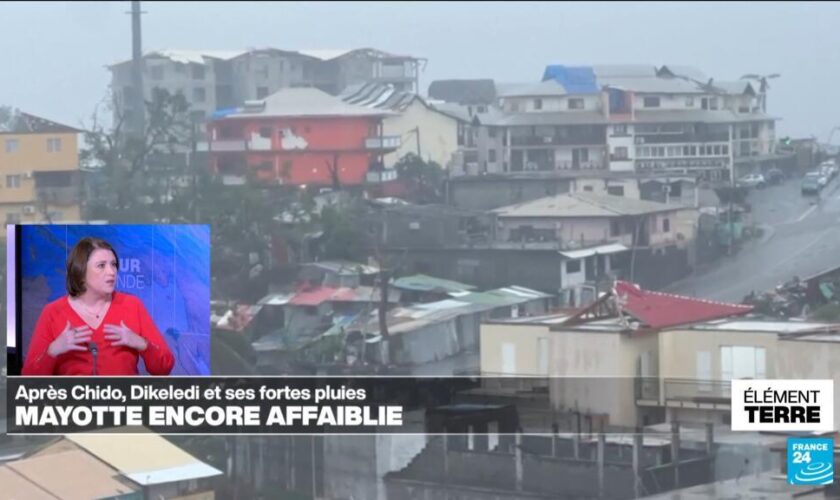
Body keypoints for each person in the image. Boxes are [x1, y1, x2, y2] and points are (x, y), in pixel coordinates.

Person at [22, 237, 175, 376]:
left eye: (113, 265)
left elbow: (164, 367)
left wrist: (141, 344)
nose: (112, 272)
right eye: (101, 266)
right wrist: (53, 351)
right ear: (80, 271)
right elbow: (29, 379)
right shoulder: (53, 312)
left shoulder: (132, 305)